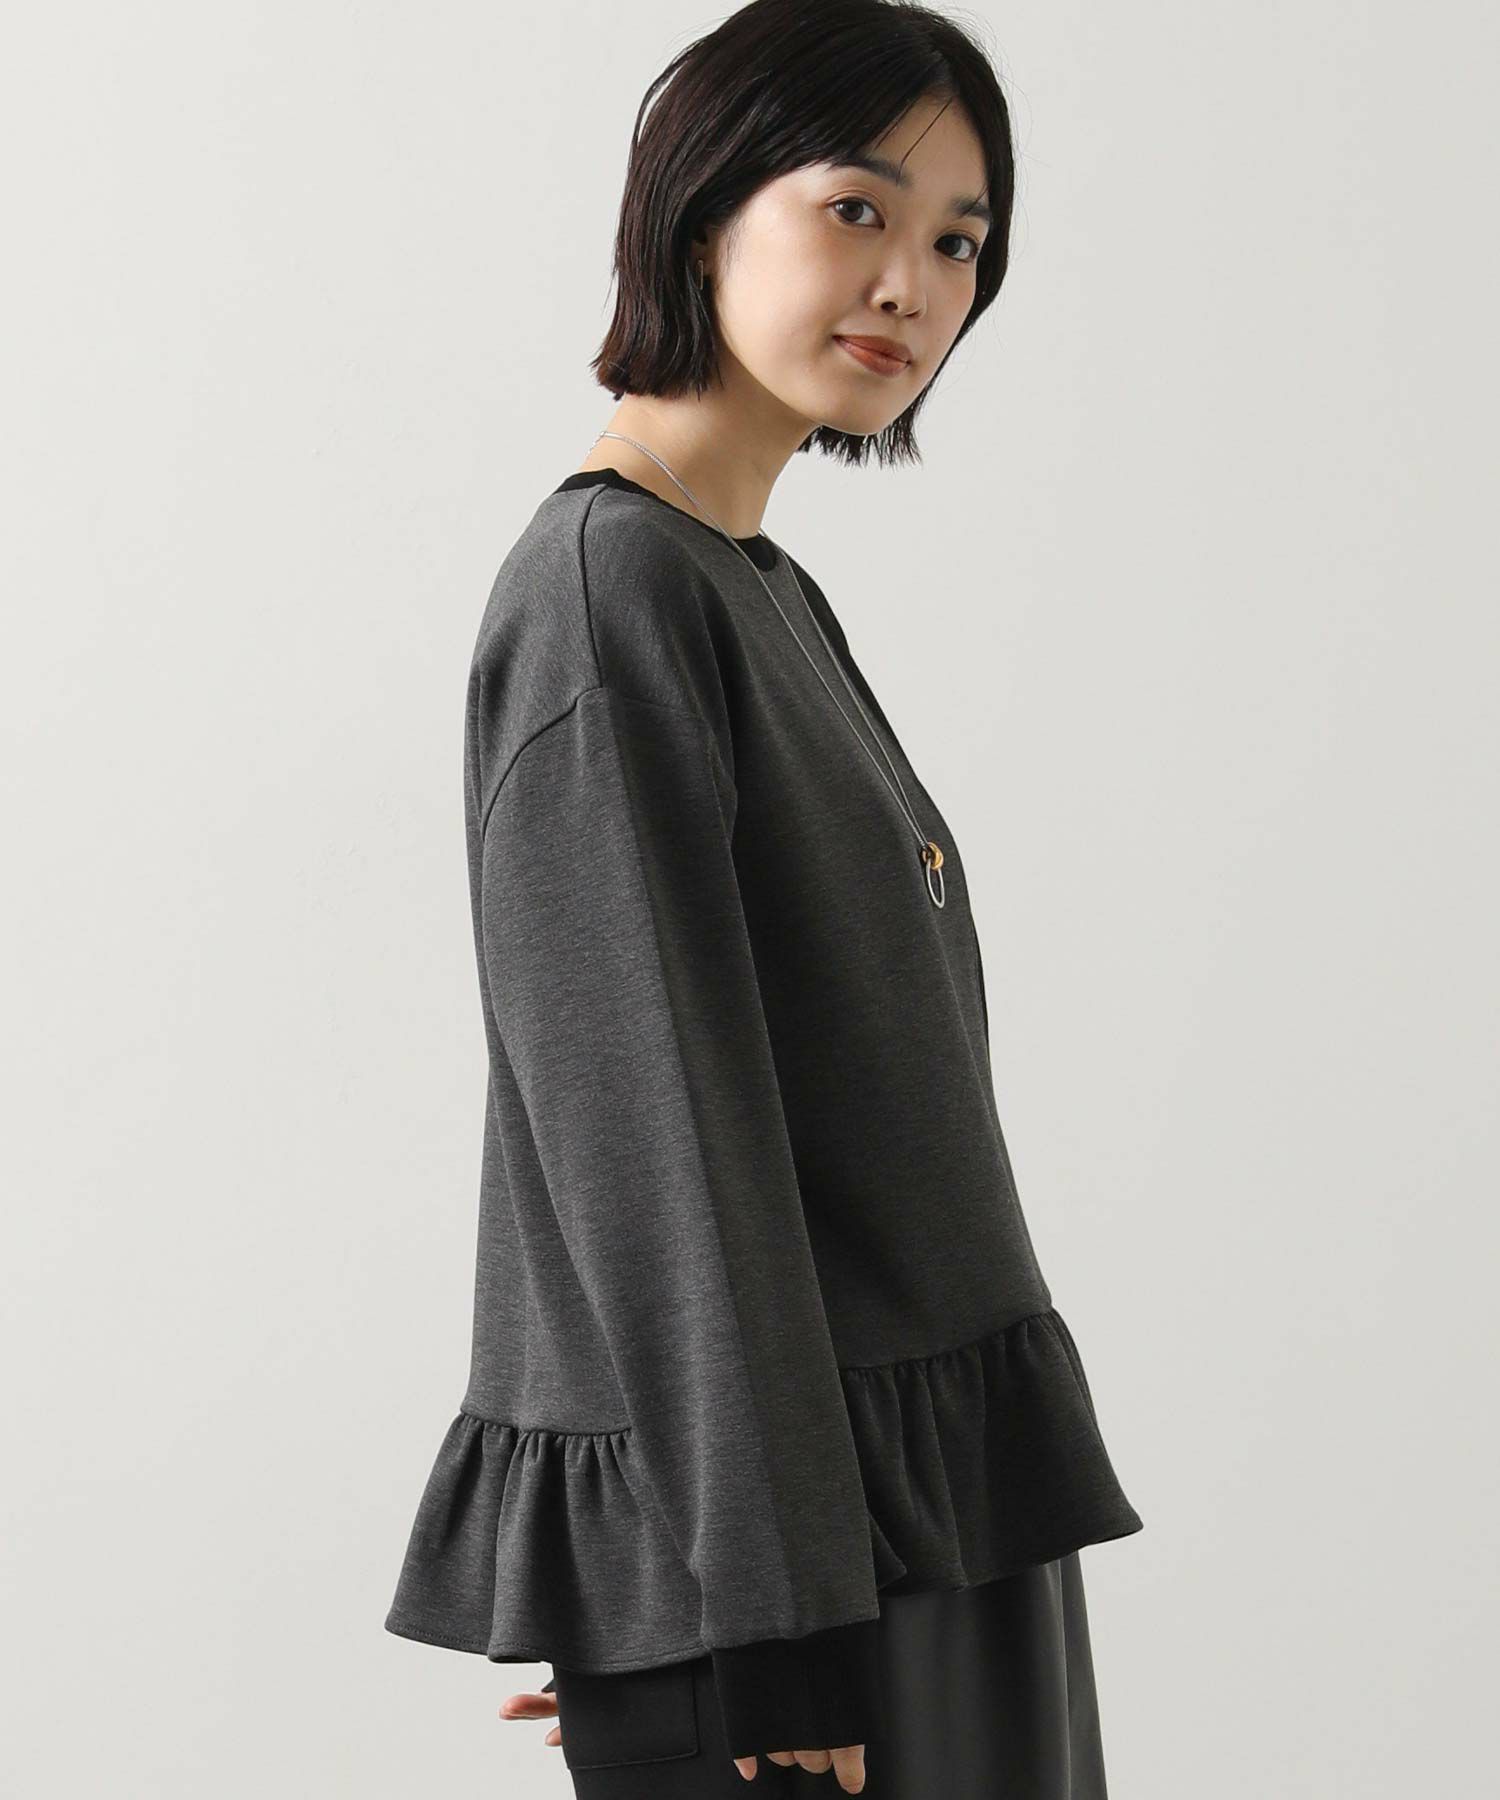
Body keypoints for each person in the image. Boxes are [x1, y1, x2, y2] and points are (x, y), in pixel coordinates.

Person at [384, 2, 1144, 1794]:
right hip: (823, 1597)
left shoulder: (750, 584)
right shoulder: (610, 596)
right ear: (700, 210)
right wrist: (755, 1623)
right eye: (857, 209)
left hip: (909, 1525)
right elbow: (654, 1157)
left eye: (958, 241)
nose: (912, 284)